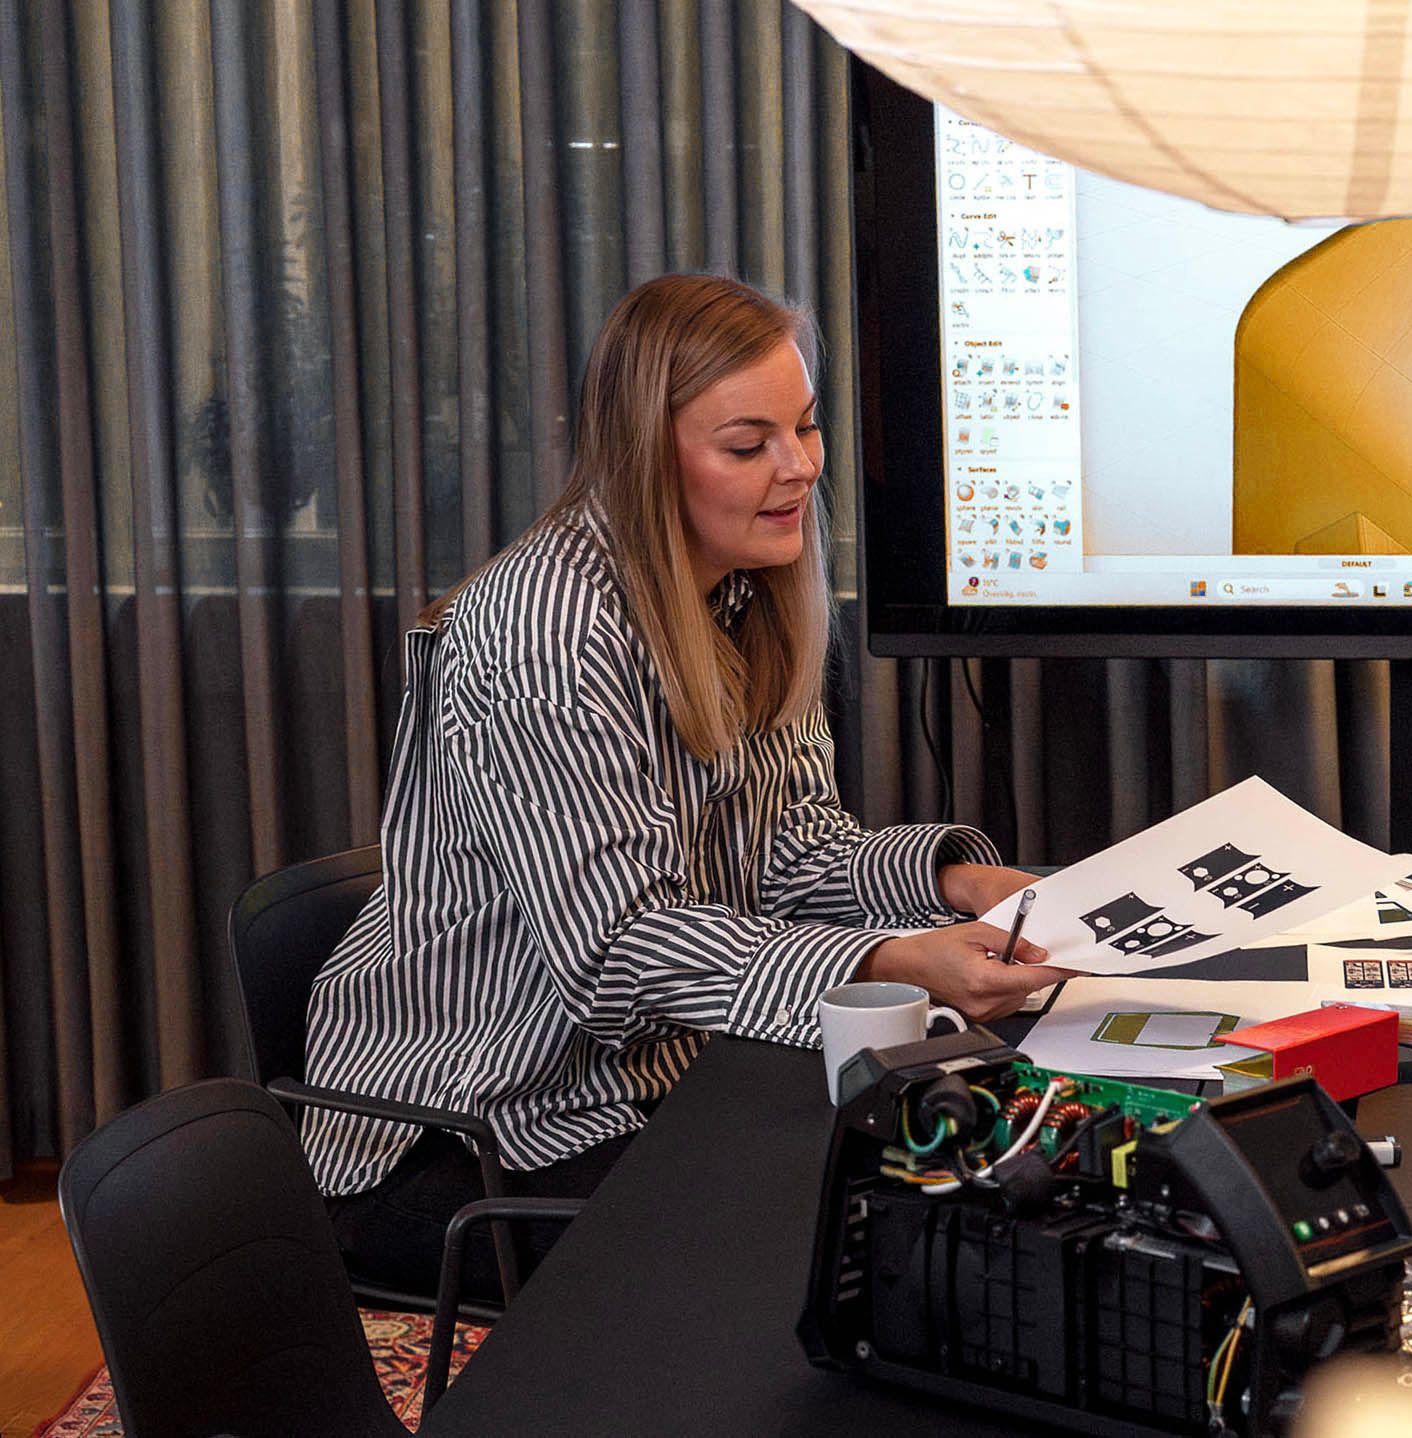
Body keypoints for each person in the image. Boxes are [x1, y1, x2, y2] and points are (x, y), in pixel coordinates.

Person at [300, 274, 1068, 1297]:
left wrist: (954, 885)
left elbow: (794, 851)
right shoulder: (550, 630)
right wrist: (894, 959)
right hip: (469, 1132)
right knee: (852, 1256)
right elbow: (617, 956)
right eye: (747, 446)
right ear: (643, 457)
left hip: (645, 1083)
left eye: (803, 428)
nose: (798, 469)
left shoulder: (742, 591)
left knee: (934, 1196)